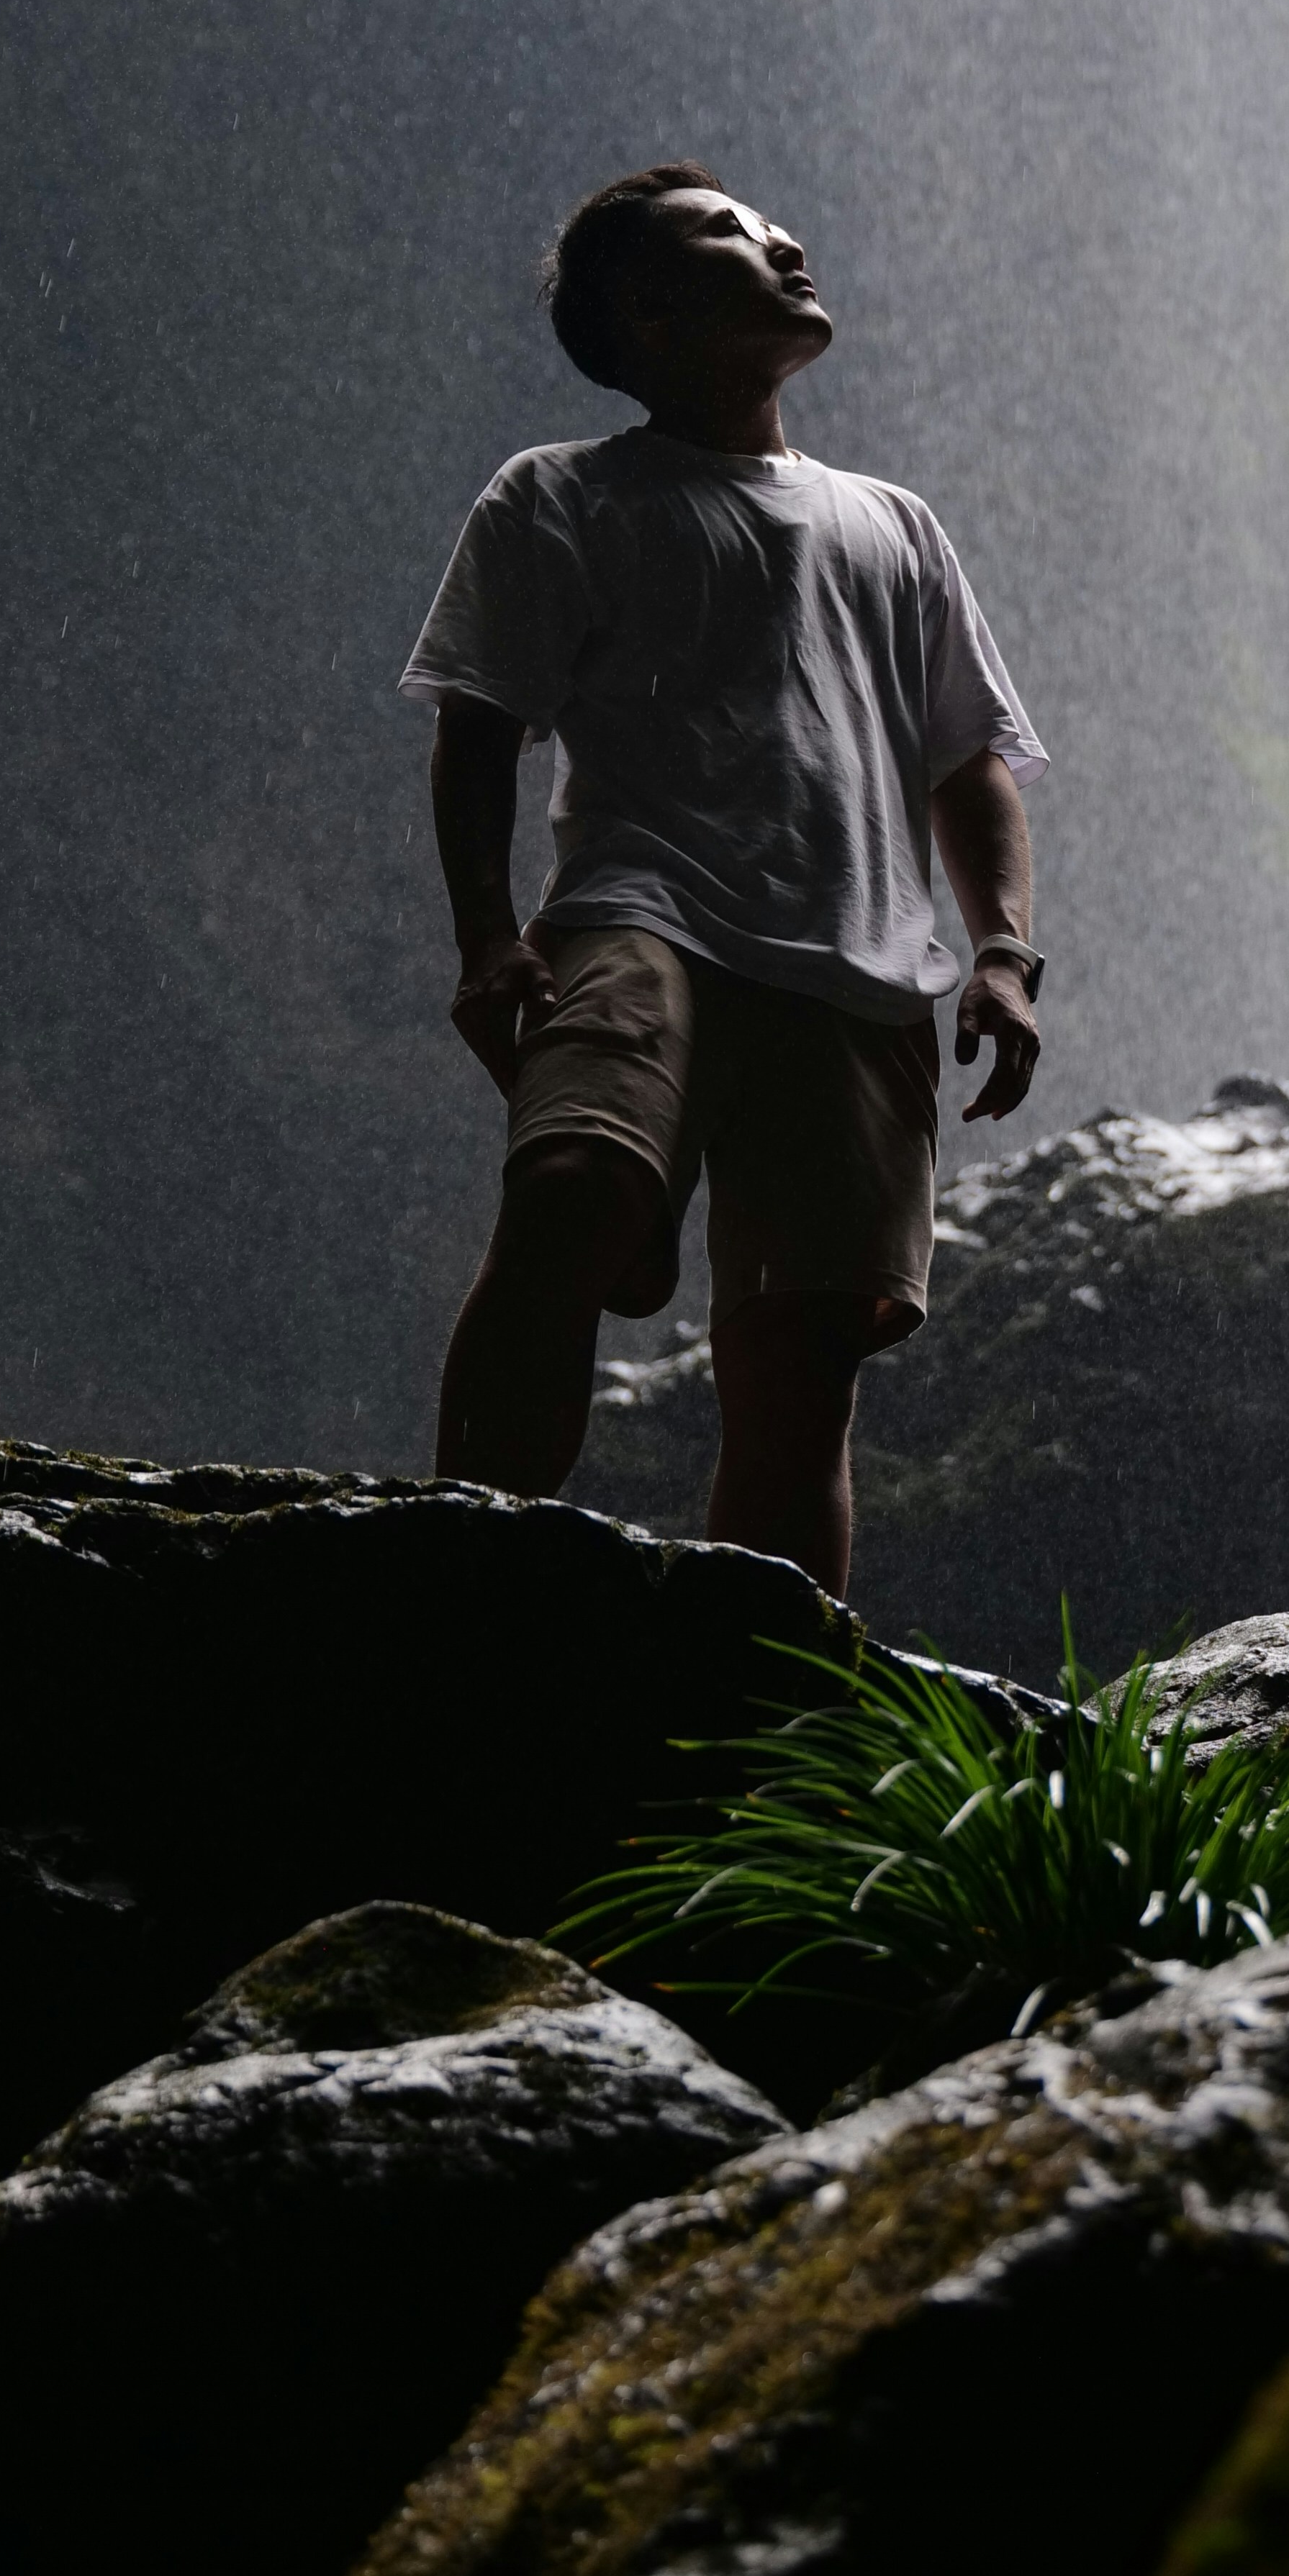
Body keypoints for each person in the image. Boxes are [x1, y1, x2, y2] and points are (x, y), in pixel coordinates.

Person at [401, 158, 1046, 1590]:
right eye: (727, 235)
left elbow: (966, 762)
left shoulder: (897, 525)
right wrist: (488, 936)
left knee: (802, 1361)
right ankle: (450, 1588)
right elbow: (478, 723)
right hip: (641, 918)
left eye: (766, 224)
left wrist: (998, 948)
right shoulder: (560, 495)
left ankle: (755, 1745)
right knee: (567, 1192)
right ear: (642, 313)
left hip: (865, 973)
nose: (781, 239)